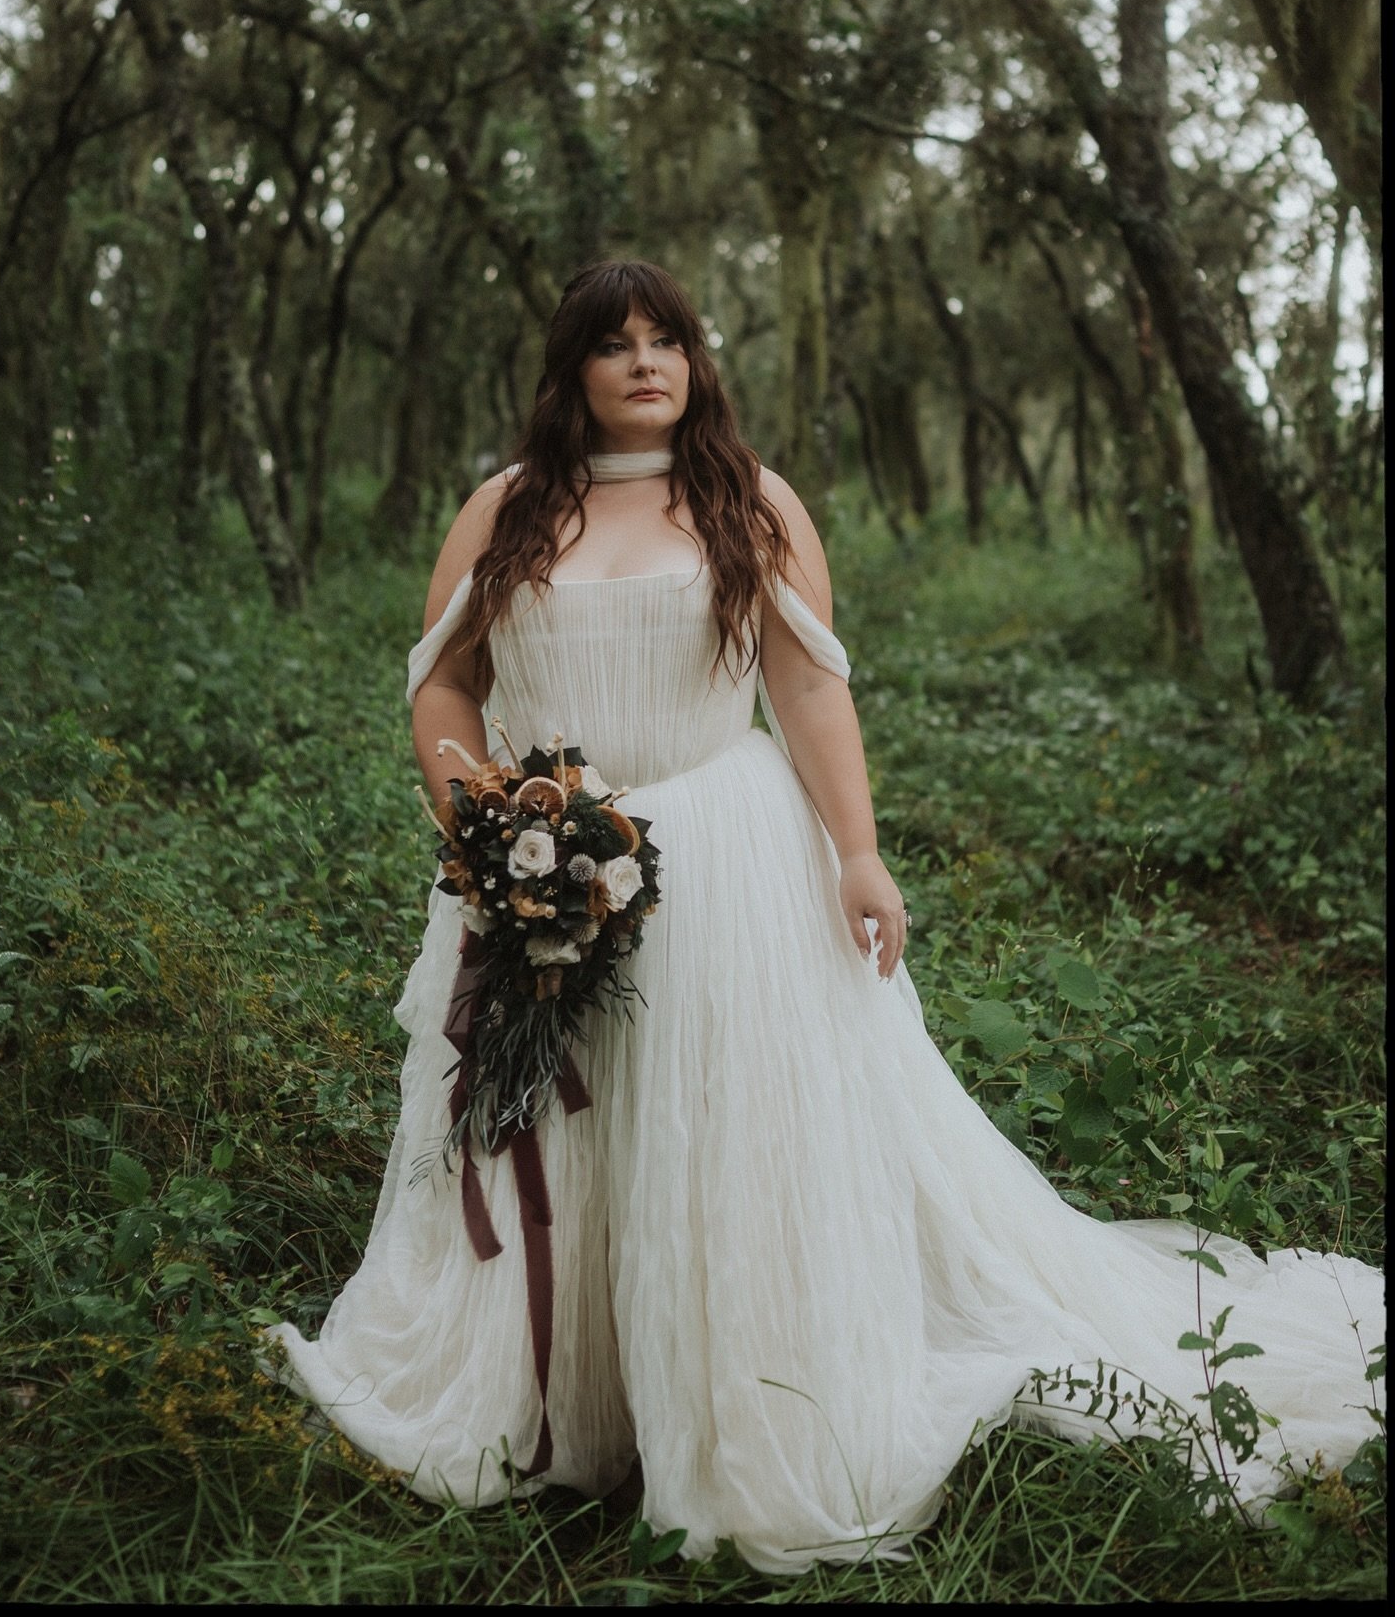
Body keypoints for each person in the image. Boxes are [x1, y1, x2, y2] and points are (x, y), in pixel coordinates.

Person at [265, 259, 1383, 1576]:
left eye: (665, 338)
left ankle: (741, 1401)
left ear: (696, 359)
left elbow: (805, 691)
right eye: (614, 343)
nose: (644, 361)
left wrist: (858, 854)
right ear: (570, 371)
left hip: (732, 863)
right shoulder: (507, 511)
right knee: (566, 1123)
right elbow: (444, 688)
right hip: (539, 855)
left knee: (723, 1133)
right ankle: (568, 1396)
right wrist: (490, 829)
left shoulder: (752, 502)